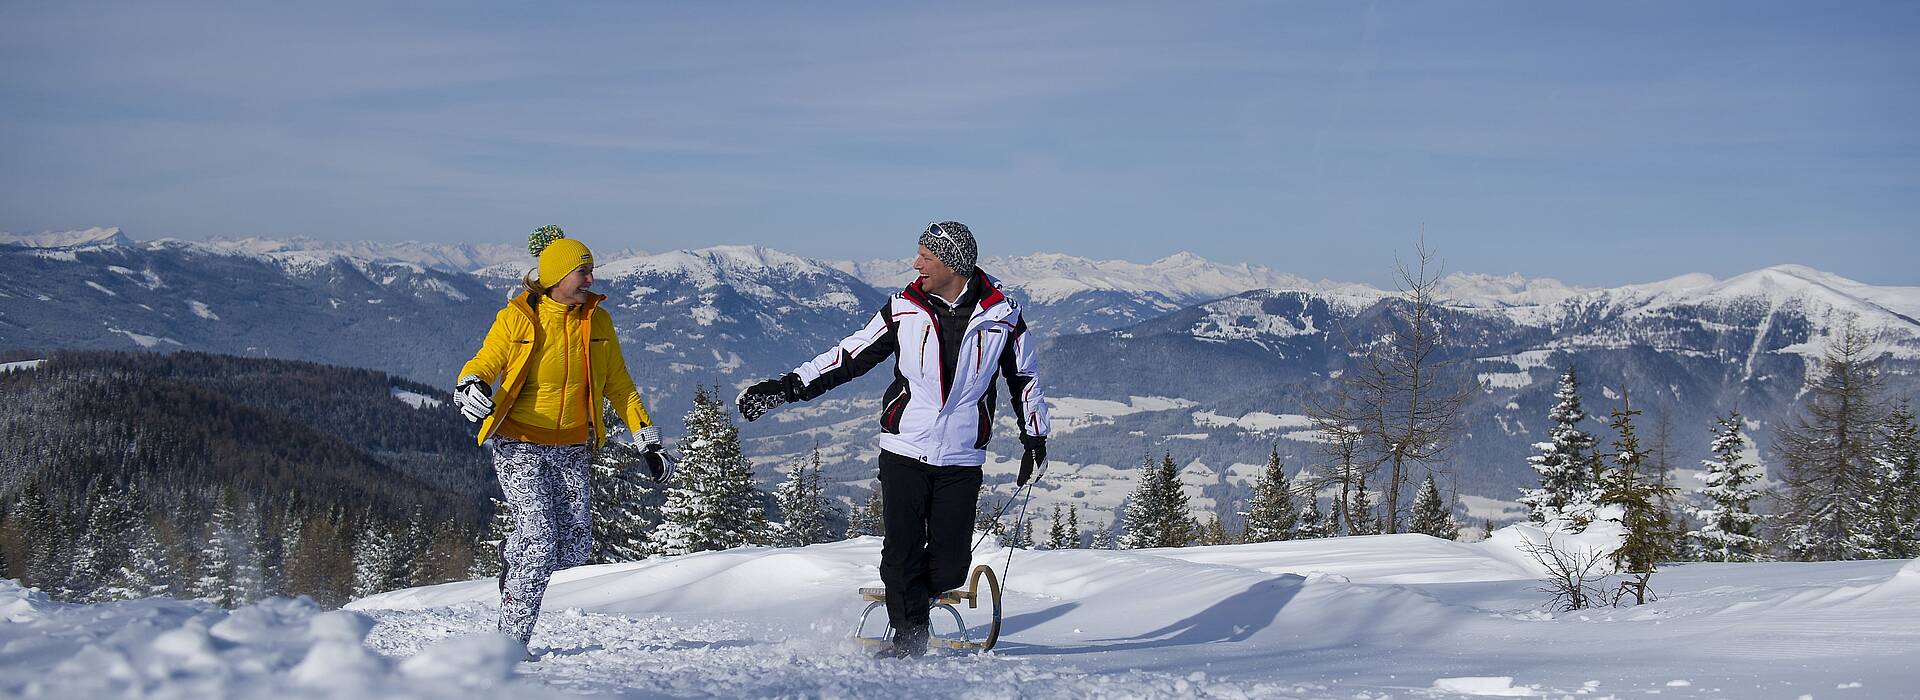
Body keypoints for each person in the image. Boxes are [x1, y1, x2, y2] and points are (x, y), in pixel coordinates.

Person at [737, 221, 1051, 659]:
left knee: (949, 567)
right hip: (904, 448)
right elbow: (849, 356)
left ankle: (907, 601)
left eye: (925, 256)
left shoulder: (1003, 316)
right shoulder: (902, 308)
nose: (915, 263)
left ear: (953, 263)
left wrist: (1034, 438)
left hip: (961, 456)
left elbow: (1025, 378)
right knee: (900, 554)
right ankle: (909, 641)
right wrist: (786, 387)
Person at [451, 225, 665, 658]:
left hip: (571, 447)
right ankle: (509, 645)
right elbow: (485, 362)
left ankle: (515, 557)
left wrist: (647, 439)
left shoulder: (598, 321)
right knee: (541, 541)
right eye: (583, 272)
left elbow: (619, 385)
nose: (591, 280)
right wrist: (470, 385)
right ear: (556, 276)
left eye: (591, 271)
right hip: (520, 444)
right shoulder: (517, 318)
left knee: (574, 546)